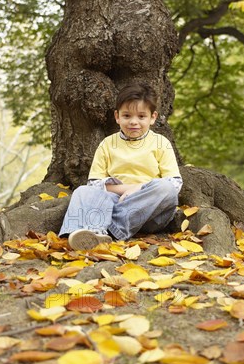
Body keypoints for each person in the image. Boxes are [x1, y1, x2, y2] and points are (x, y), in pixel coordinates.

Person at [59, 83, 182, 250]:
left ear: (152, 117)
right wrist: (125, 190)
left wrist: (137, 189)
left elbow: (174, 183)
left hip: (147, 210)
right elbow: (95, 184)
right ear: (117, 117)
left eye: (141, 116)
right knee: (83, 191)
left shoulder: (161, 143)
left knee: (165, 188)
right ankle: (88, 234)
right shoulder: (108, 144)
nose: (133, 122)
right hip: (115, 202)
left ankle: (107, 228)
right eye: (126, 116)